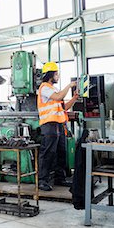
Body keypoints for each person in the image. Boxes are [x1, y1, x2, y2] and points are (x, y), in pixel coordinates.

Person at [37, 61, 78, 191]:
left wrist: (75, 97)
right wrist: (69, 85)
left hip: (59, 124)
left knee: (61, 152)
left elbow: (64, 107)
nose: (58, 76)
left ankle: (59, 178)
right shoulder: (44, 88)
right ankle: (42, 180)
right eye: (57, 74)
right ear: (51, 75)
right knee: (48, 152)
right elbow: (60, 96)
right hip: (49, 125)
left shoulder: (53, 89)